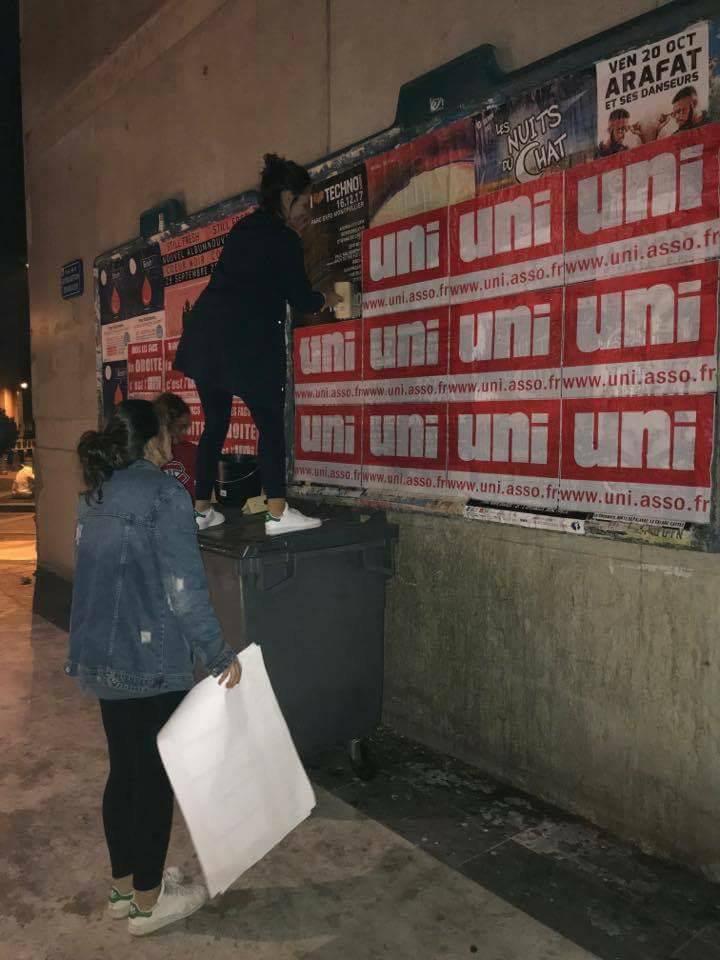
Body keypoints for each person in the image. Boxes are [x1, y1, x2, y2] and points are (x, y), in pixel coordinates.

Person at [65, 399, 241, 937]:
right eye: (167, 429)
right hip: (148, 658)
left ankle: (125, 887)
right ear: (152, 438)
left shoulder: (95, 493)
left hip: (102, 655)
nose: (172, 437)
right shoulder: (166, 494)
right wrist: (217, 654)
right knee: (153, 779)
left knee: (125, 772)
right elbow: (184, 590)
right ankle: (148, 902)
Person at [174, 153, 343, 535]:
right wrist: (326, 299)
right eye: (302, 202)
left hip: (205, 338)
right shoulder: (283, 238)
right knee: (269, 422)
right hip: (244, 344)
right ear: (285, 198)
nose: (305, 212)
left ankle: (201, 510)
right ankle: (278, 513)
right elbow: (300, 298)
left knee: (215, 423)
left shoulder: (245, 228)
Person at [155, 392, 197, 501]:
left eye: (186, 427)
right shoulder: (147, 456)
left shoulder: (192, 451)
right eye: (181, 427)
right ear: (165, 425)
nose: (184, 432)